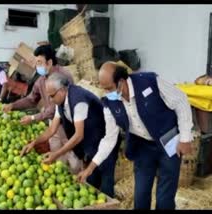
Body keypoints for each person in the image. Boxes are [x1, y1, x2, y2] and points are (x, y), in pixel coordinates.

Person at [77, 61, 193, 209]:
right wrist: (91, 167)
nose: (106, 93)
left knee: (165, 196)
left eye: (109, 88)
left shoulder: (150, 81)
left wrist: (185, 138)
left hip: (168, 140)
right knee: (141, 194)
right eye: (103, 89)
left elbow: (181, 101)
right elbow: (109, 138)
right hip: (142, 147)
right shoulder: (108, 103)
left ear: (121, 81)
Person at [21, 72, 122, 197]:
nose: (50, 100)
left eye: (52, 96)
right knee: (92, 179)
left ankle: (109, 202)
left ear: (62, 90)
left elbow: (79, 135)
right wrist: (34, 143)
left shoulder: (78, 100)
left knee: (106, 175)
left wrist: (56, 154)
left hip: (106, 138)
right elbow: (52, 129)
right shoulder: (60, 103)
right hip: (91, 142)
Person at [3, 44, 83, 174]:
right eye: (36, 62)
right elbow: (31, 99)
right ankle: (60, 179)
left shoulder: (63, 77)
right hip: (53, 122)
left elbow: (56, 108)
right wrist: (13, 106)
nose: (36, 66)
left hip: (69, 123)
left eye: (39, 62)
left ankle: (77, 180)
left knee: (72, 156)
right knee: (56, 154)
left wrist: (34, 118)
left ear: (49, 62)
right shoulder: (41, 80)